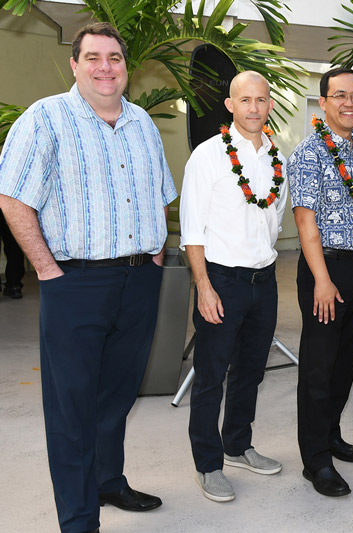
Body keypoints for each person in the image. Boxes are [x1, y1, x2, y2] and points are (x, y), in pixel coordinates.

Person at [0, 22, 175, 533]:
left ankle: (108, 480)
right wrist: (48, 271)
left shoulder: (142, 121)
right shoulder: (46, 119)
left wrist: (156, 257)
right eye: (93, 57)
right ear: (74, 65)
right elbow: (12, 199)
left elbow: (160, 194)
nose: (106, 67)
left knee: (117, 394)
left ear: (126, 67)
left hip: (139, 281)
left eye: (115, 58)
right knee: (72, 406)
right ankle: (79, 520)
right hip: (74, 283)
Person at [180, 71, 288, 503]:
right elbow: (192, 230)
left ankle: (237, 445)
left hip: (264, 280)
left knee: (251, 371)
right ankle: (208, 465)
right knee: (211, 377)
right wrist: (203, 286)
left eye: (261, 100)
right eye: (245, 100)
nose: (253, 108)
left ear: (270, 105)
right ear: (230, 105)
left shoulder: (277, 155)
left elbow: (274, 217)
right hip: (221, 280)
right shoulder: (207, 157)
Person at [286, 67, 353, 498]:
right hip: (326, 270)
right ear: (323, 102)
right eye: (339, 95)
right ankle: (315, 460)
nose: (349, 102)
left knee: (345, 362)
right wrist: (322, 280)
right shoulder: (308, 153)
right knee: (320, 368)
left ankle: (332, 434)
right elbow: (306, 224)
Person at [0, 210, 25, 298]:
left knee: (14, 245)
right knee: (14, 245)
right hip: (12, 200)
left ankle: (14, 285)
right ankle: (14, 286)